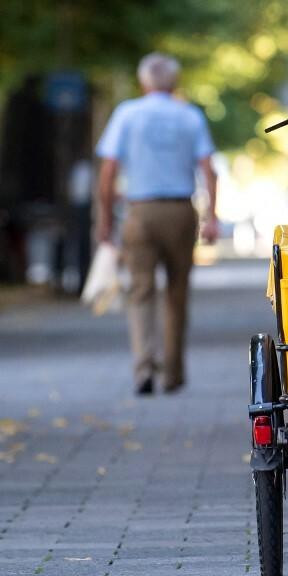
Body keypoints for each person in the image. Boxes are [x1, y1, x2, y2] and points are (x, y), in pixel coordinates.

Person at [95, 53, 218, 395]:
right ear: (175, 83)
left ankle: (143, 368)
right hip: (180, 212)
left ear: (143, 82)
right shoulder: (189, 115)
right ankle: (173, 374)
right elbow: (208, 168)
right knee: (177, 293)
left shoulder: (127, 114)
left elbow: (108, 172)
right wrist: (212, 218)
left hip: (140, 211)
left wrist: (104, 220)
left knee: (141, 291)